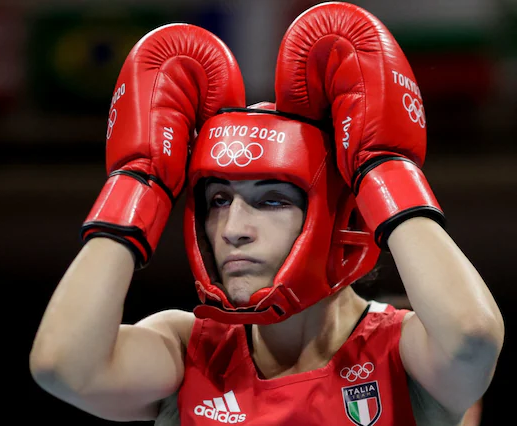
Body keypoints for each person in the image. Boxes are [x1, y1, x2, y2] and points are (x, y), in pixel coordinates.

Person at [29, 3, 504, 425]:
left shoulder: (403, 352)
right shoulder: (187, 351)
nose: (233, 230)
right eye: (218, 201)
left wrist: (383, 168)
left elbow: (473, 337)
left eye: (272, 200)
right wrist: (140, 183)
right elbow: (63, 366)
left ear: (338, 218)